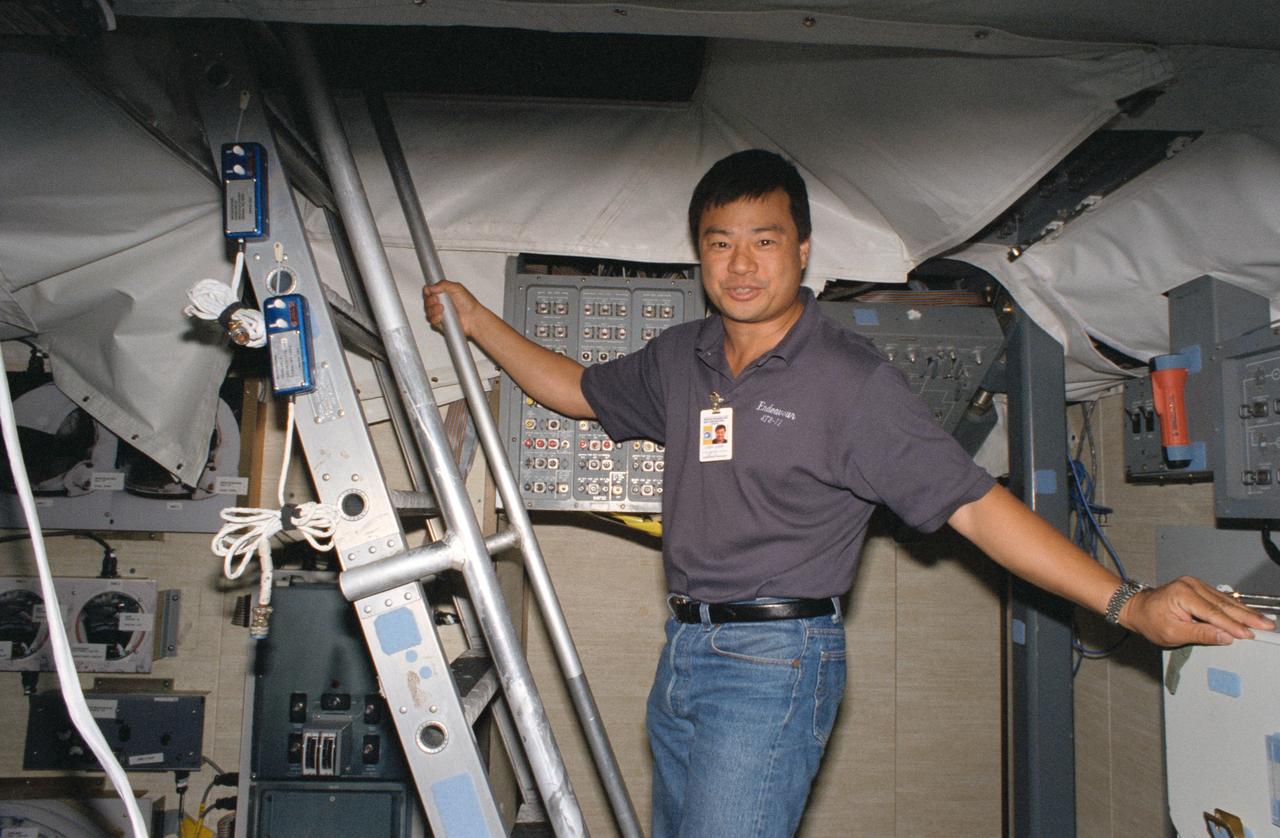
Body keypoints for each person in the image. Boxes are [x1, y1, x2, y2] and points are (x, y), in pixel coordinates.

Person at [425, 149, 1270, 837]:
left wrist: (1126, 604)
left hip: (775, 662)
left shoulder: (848, 382)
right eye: (720, 242)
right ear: (700, 256)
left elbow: (976, 504)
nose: (742, 263)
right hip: (684, 652)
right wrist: (474, 320)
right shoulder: (682, 358)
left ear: (802, 251)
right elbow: (575, 388)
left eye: (765, 240)